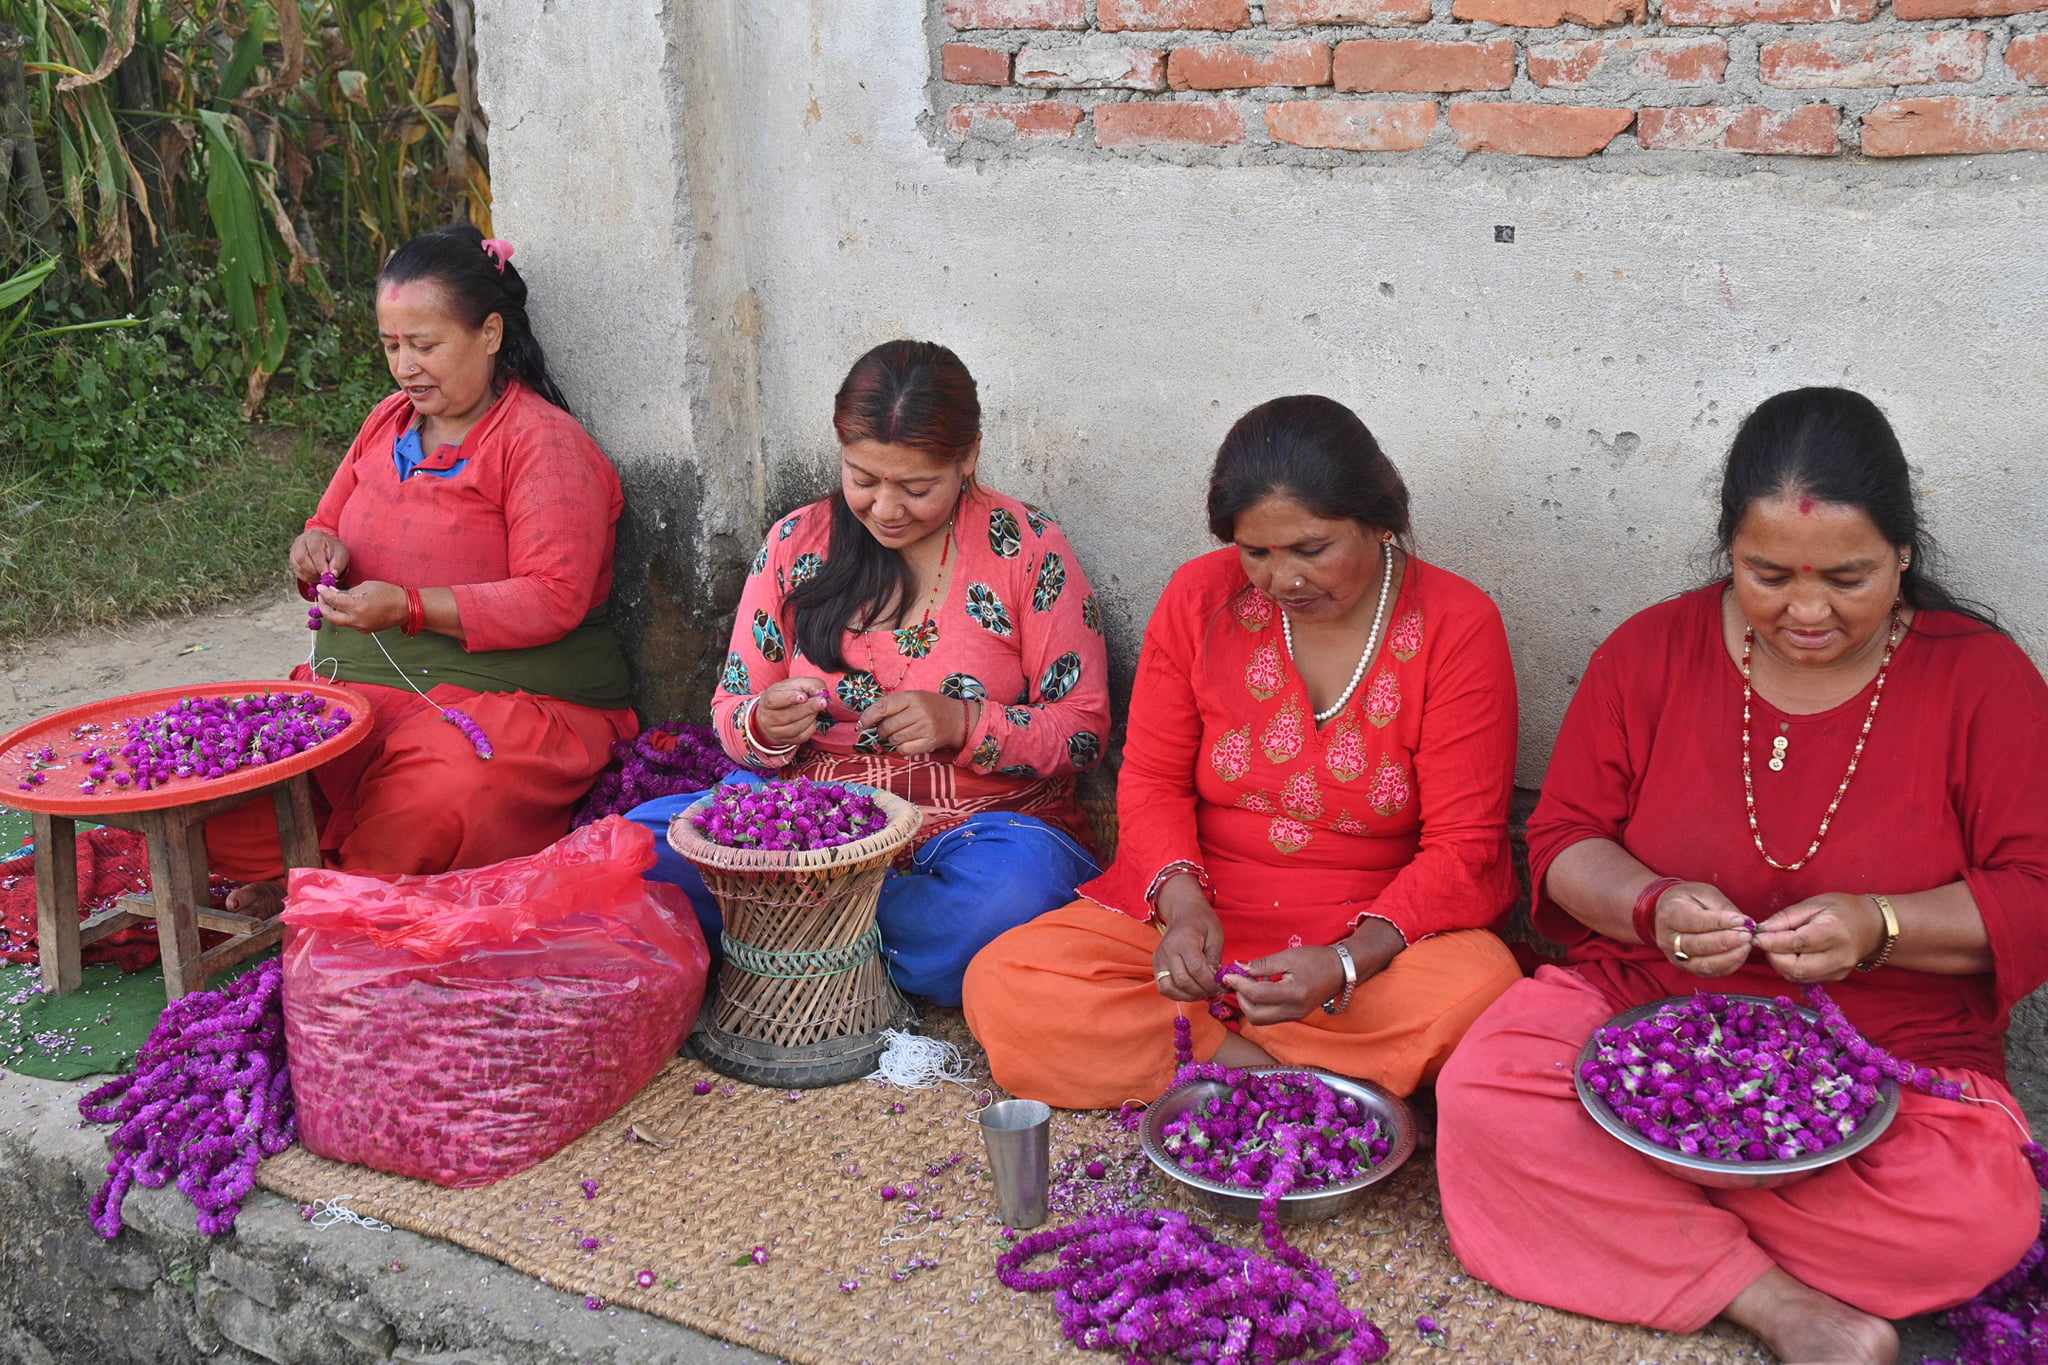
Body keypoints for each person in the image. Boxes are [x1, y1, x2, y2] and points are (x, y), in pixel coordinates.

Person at [1434, 388, 2046, 1365]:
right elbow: (1563, 840)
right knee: (1481, 1091)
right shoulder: (1652, 653)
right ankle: (1779, 1305)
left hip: (1891, 1054)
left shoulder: (1982, 681)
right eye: (1766, 575)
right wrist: (1651, 907)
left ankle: (1631, 1211)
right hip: (1648, 1012)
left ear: (1902, 554)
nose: (1805, 610)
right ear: (1727, 553)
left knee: (1975, 1216)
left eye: (1846, 576)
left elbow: (2033, 891)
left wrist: (1879, 928)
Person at [963, 395, 1524, 1108]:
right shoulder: (1201, 598)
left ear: (1379, 522)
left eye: (1311, 549)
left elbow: (1463, 846)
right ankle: (1295, 1078)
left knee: (1481, 989)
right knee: (1004, 982)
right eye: (1256, 551)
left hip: (1375, 939)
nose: (1282, 579)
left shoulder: (1457, 624)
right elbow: (1153, 781)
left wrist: (1344, 964)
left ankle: (1204, 1060)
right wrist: (1187, 911)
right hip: (1200, 922)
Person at [625, 340, 1107, 1006]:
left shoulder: (1025, 546)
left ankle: (783, 941)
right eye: (863, 479)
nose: (885, 508)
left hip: (974, 827)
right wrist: (763, 723)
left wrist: (963, 721)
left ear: (967, 458)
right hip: (808, 824)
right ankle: (856, 944)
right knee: (636, 849)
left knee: (1003, 899)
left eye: (916, 487)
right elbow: (732, 709)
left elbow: (1082, 730)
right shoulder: (797, 542)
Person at [206, 225, 638, 909]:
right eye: (391, 346)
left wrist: (408, 606)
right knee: (232, 783)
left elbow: (554, 596)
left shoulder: (543, 445)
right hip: (370, 696)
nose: (406, 366)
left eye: (425, 345)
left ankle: (335, 890)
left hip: (511, 707)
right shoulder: (387, 423)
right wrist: (316, 550)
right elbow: (325, 524)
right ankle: (331, 878)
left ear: (490, 334)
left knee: (438, 793)